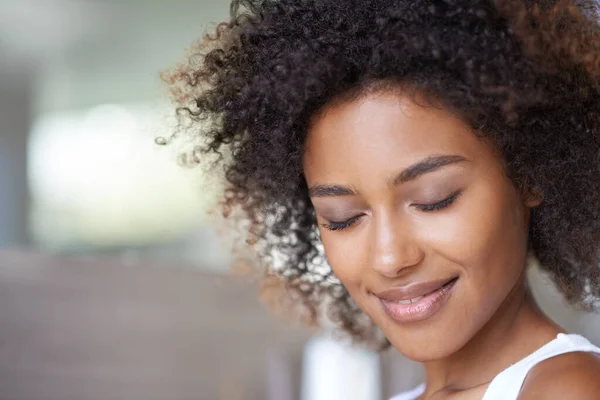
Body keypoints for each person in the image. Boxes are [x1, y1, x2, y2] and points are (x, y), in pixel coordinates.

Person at [162, 0, 600, 398]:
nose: (390, 258)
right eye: (343, 218)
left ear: (529, 175)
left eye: (434, 199)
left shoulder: (566, 387)